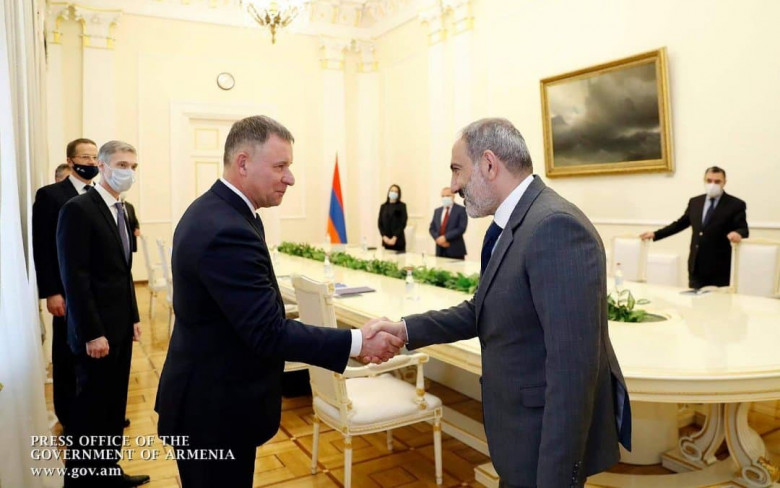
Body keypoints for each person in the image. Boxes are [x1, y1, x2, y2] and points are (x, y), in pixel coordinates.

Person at [365, 118, 631, 488]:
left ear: (489, 164)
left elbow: (573, 372)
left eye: (457, 170)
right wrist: (405, 329)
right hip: (518, 437)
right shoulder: (512, 224)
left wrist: (556, 479)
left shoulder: (555, 226)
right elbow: (483, 308)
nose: (453, 186)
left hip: (543, 445)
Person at [154, 115, 403, 488]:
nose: (290, 178)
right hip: (214, 413)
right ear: (243, 163)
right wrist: (357, 342)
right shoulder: (227, 229)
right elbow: (267, 332)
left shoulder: (223, 211)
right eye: (280, 166)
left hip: (211, 401)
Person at [57, 140, 150, 487]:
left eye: (134, 166)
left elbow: (122, 273)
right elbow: (75, 278)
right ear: (103, 166)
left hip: (120, 326)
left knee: (113, 406)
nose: (129, 172)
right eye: (123, 165)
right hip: (95, 332)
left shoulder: (122, 209)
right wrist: (92, 332)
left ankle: (109, 471)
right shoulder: (78, 209)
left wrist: (134, 316)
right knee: (90, 411)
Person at [32, 138, 98, 433]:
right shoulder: (50, 195)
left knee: (91, 354)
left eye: (95, 157)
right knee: (67, 355)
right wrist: (51, 292)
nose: (91, 162)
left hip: (94, 290)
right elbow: (43, 247)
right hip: (64, 290)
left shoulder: (97, 194)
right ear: (71, 161)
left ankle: (92, 412)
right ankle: (68, 416)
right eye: (85, 157)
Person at [640, 166, 748, 289]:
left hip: (720, 268)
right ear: (704, 180)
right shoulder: (695, 202)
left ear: (724, 182)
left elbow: (743, 229)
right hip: (696, 266)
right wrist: (655, 234)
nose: (712, 184)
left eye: (717, 181)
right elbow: (680, 224)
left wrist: (737, 234)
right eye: (709, 181)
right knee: (694, 299)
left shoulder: (736, 204)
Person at [428, 186, 468, 259]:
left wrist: (445, 237)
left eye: (447, 196)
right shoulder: (437, 211)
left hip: (455, 249)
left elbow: (461, 228)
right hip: (440, 249)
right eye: (443, 196)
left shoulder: (461, 210)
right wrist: (438, 239)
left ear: (453, 196)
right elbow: (432, 228)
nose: (445, 198)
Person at [378, 183, 408, 252]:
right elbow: (380, 223)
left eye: (396, 191)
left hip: (398, 241)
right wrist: (384, 236)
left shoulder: (402, 206)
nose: (393, 193)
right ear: (389, 192)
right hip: (386, 241)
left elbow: (403, 223)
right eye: (392, 191)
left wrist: (394, 237)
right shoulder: (383, 206)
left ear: (398, 194)